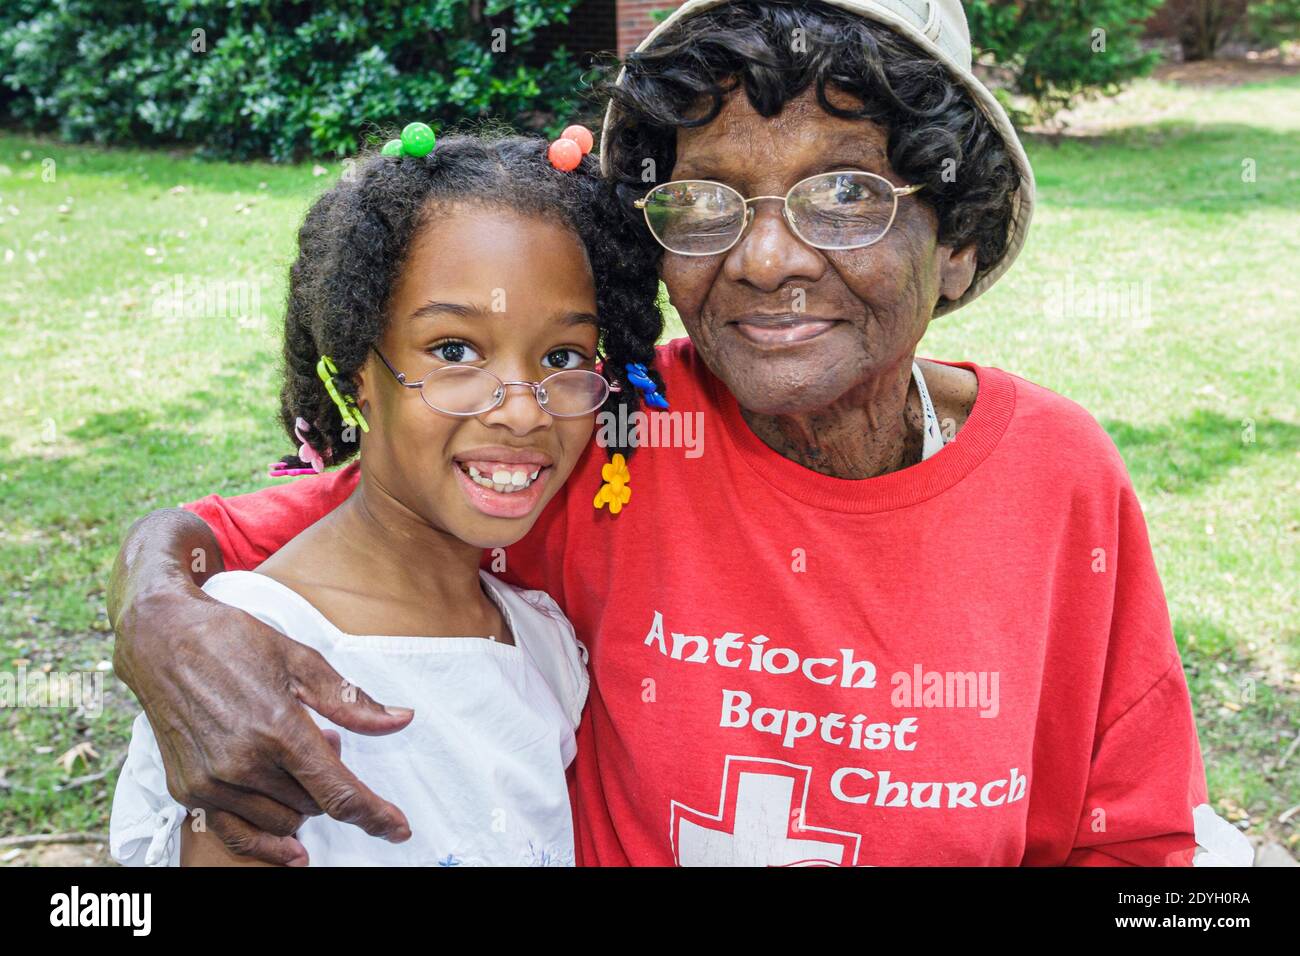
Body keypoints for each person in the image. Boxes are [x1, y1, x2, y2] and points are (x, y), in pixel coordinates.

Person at [108, 0, 1213, 866]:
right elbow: (270, 529)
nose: (766, 258)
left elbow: (1132, 836)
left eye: (842, 196)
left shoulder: (1060, 477)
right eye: (712, 203)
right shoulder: (610, 430)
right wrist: (161, 612)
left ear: (957, 239)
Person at [107, 127, 664, 865]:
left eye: (562, 357)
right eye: (455, 351)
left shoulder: (542, 644)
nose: (524, 411)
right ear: (355, 373)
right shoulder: (248, 660)